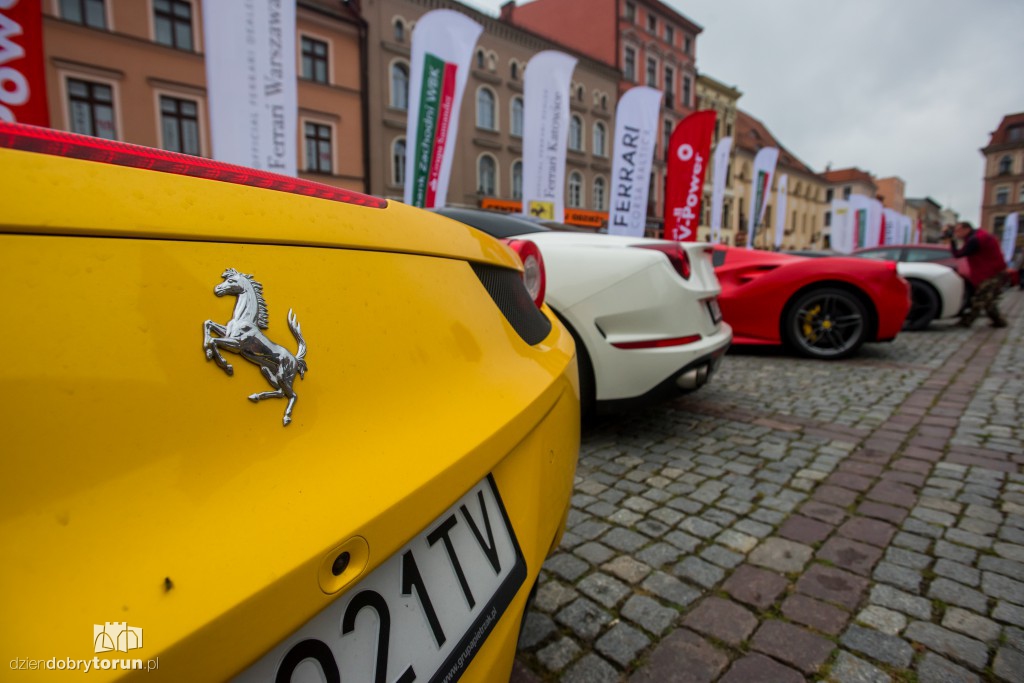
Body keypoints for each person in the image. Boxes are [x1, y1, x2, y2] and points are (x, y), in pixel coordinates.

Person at [946, 221, 1008, 327]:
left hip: (992, 273)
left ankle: (966, 322)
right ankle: (999, 322)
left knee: (980, 299)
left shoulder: (975, 239)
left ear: (967, 229)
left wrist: (952, 240)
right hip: (993, 272)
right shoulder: (978, 236)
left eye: (958, 231)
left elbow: (958, 254)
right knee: (987, 299)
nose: (956, 233)